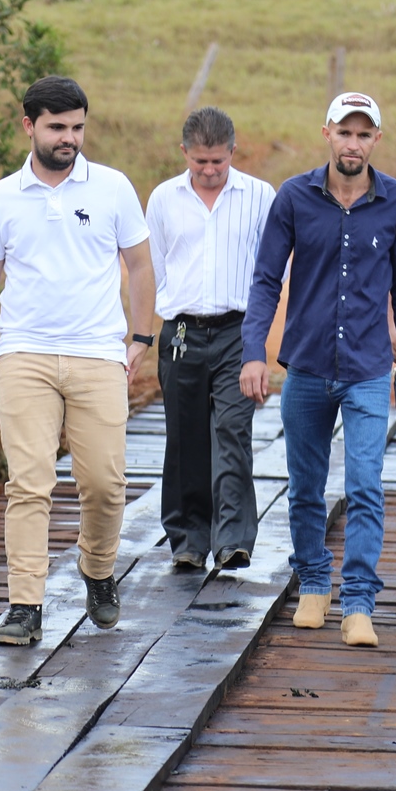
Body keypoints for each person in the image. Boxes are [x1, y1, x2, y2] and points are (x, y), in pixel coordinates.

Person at [0, 76, 157, 647]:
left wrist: (141, 336)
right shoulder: (3, 196)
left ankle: (97, 568)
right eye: (57, 127)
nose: (69, 138)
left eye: (77, 127)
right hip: (24, 353)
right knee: (30, 485)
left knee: (104, 485)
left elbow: (139, 266)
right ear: (29, 126)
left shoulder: (113, 188)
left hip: (97, 354)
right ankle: (25, 604)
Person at [241, 92, 396, 648]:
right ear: (327, 133)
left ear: (376, 140)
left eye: (363, 134)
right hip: (306, 364)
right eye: (344, 132)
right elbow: (267, 279)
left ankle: (359, 602)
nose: (353, 143)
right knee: (304, 487)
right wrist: (254, 352)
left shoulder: (395, 202)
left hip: (369, 368)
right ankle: (315, 582)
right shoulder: (295, 197)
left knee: (367, 485)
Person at [145, 106, 275, 572]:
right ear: (184, 153)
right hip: (181, 328)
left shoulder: (260, 196)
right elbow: (157, 266)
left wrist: (261, 340)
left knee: (232, 431)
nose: (209, 170)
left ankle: (233, 539)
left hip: (239, 329)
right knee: (185, 435)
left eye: (218, 161)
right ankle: (187, 537)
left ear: (232, 152)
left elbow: (270, 270)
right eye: (200, 161)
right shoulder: (162, 199)